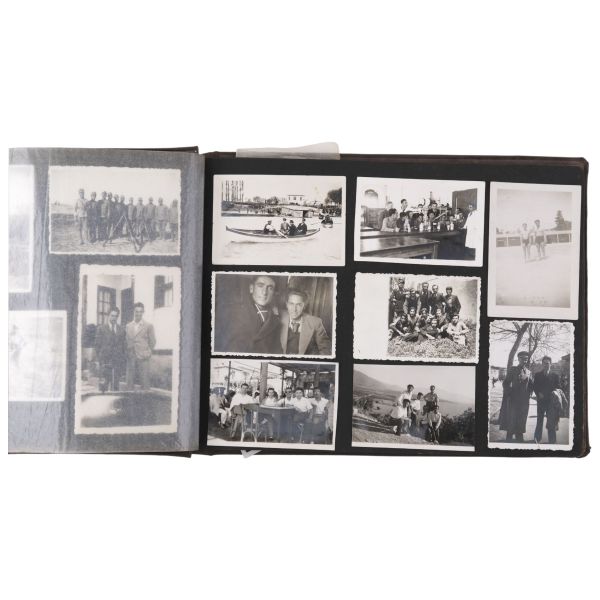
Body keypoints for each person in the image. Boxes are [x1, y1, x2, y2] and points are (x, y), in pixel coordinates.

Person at [215, 274, 282, 354]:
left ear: (274, 293)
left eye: (270, 288)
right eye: (260, 286)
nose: (264, 292)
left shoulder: (275, 322)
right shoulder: (234, 312)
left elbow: (277, 352)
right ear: (251, 288)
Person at [279, 288, 331, 355]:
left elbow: (326, 349)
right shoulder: (279, 317)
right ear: (287, 304)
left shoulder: (315, 322)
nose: (294, 309)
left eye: (299, 305)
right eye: (291, 304)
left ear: (304, 306)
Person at [499, 350, 534, 442]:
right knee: (512, 418)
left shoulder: (529, 372)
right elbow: (506, 383)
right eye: (522, 359)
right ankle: (509, 437)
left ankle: (519, 435)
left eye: (526, 359)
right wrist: (510, 393)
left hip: (524, 401)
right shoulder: (513, 369)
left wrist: (530, 393)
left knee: (522, 418)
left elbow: (531, 385)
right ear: (518, 359)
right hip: (513, 400)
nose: (524, 361)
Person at [125, 302, 156, 391]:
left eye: (140, 311)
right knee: (129, 381)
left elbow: (153, 341)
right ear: (133, 312)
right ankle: (129, 398)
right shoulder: (128, 326)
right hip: (131, 356)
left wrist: (148, 352)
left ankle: (146, 398)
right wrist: (128, 352)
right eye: (136, 311)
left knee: (145, 381)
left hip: (143, 356)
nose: (138, 313)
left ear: (143, 312)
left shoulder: (148, 326)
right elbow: (126, 340)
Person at [95, 306, 126, 392]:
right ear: (108, 316)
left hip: (117, 362)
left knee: (115, 386)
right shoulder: (101, 329)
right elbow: (97, 346)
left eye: (116, 316)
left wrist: (122, 360)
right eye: (112, 315)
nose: (114, 318)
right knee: (103, 386)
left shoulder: (121, 329)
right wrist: (99, 360)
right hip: (105, 362)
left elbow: (123, 346)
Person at [533, 355, 562, 443]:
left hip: (551, 402)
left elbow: (558, 387)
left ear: (550, 364)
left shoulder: (555, 376)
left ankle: (552, 440)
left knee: (551, 421)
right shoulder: (537, 375)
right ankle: (537, 438)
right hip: (541, 401)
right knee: (539, 420)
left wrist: (555, 392)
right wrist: (538, 393)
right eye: (544, 363)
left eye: (548, 363)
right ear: (542, 364)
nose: (546, 365)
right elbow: (535, 387)